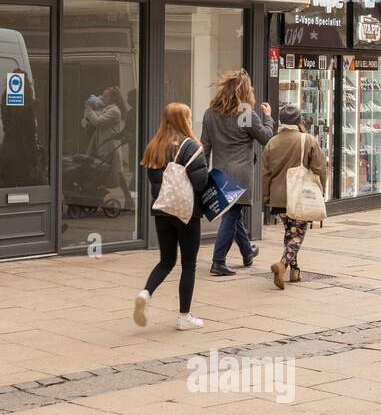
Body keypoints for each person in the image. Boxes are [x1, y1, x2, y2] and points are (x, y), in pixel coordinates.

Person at [133, 102, 209, 330]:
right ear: (183, 120)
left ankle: (146, 293)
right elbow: (201, 183)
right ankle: (184, 316)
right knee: (189, 263)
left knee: (166, 260)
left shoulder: (154, 146)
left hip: (162, 210)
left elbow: (154, 181)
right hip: (186, 213)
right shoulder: (190, 147)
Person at [200, 70, 272, 276]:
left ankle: (247, 251)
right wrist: (268, 117)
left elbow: (205, 147)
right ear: (244, 91)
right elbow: (266, 137)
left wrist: (203, 174)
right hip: (241, 174)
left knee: (234, 213)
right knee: (231, 215)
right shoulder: (245, 113)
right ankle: (218, 261)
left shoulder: (210, 113)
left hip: (220, 172)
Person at [262, 104, 328, 290]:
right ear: (299, 120)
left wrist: (267, 196)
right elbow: (319, 168)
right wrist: (321, 189)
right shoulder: (307, 140)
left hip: (278, 197)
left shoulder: (272, 142)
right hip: (299, 196)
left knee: (290, 232)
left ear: (281, 120)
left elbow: (265, 174)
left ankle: (295, 271)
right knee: (298, 234)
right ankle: (282, 265)